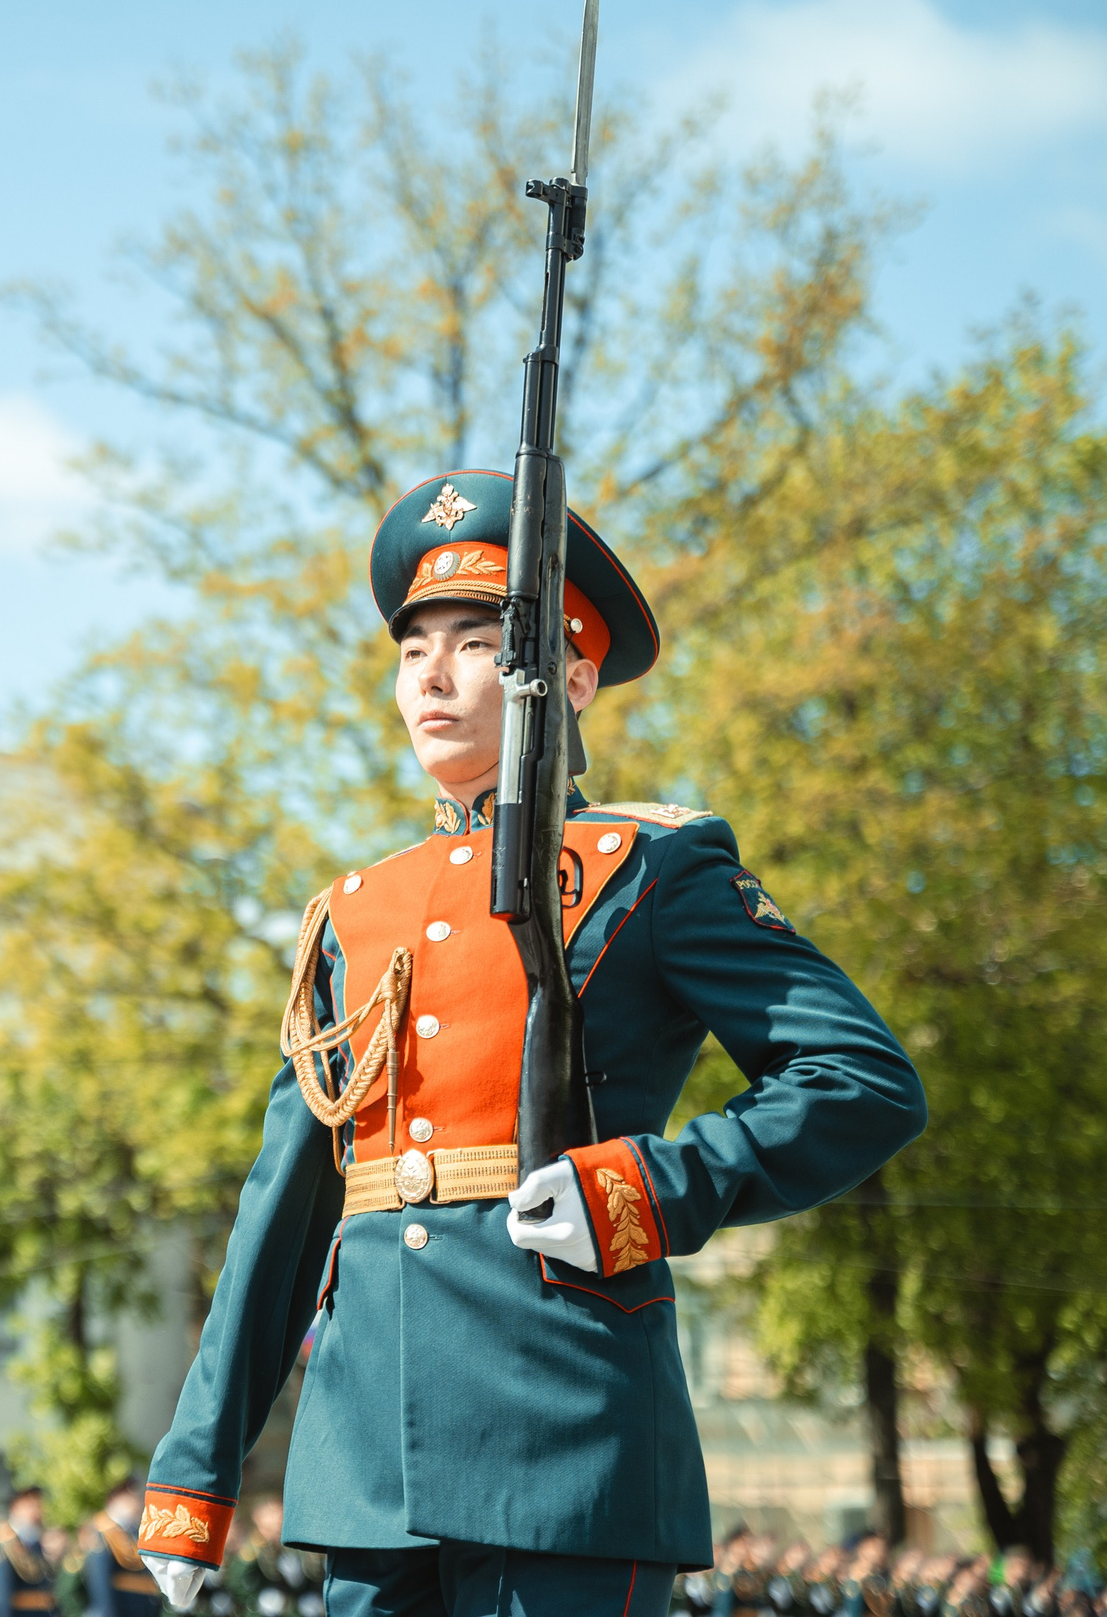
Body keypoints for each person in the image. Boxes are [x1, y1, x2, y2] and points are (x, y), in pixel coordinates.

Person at [134, 477, 929, 1617]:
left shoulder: (651, 869)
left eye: (475, 642)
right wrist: (197, 1468)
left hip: (566, 1439)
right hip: (365, 1472)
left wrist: (644, 1189)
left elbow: (859, 1080)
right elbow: (287, 1207)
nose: (434, 677)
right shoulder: (352, 915)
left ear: (572, 677)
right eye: (414, 651)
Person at [83, 1487, 156, 1617]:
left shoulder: (133, 1533)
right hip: (120, 1609)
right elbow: (101, 1584)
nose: (136, 1503)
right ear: (115, 1499)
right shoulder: (103, 1534)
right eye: (129, 1498)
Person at [0, 1492, 54, 1617]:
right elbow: (2, 1595)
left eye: (37, 1505)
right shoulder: (3, 1544)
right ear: (14, 1508)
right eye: (29, 1506)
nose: (36, 1512)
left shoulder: (34, 1542)